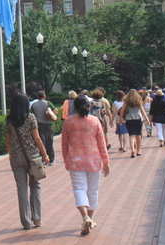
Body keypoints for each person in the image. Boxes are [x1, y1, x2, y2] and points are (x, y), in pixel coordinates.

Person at [62, 95, 110, 236]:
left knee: (79, 189)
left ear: (74, 106)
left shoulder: (68, 122)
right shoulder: (95, 121)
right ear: (89, 107)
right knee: (93, 191)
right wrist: (106, 161)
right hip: (94, 160)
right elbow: (102, 143)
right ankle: (90, 218)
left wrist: (66, 159)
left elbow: (64, 144)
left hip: (75, 161)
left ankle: (85, 217)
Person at [5, 93, 50, 230]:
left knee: (21, 189)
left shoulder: (9, 120)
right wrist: (45, 154)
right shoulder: (30, 117)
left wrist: (11, 154)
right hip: (33, 157)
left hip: (16, 158)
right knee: (35, 186)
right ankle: (36, 218)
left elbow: (7, 141)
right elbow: (37, 138)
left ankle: (26, 222)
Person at [119, 89, 151, 158]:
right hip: (138, 119)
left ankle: (132, 150)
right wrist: (147, 119)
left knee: (131, 135)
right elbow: (143, 111)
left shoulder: (126, 101)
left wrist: (121, 118)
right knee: (138, 135)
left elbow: (122, 110)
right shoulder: (138, 101)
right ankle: (138, 151)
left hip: (129, 120)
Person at [30, 90, 57, 165]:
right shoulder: (48, 103)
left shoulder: (34, 105)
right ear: (44, 96)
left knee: (42, 142)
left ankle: (43, 159)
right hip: (49, 125)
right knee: (50, 142)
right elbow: (55, 111)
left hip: (39, 125)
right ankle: (51, 159)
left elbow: (32, 115)